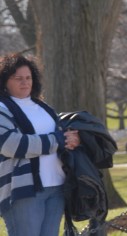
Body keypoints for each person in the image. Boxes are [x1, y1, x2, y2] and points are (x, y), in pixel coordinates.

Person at [0, 53, 80, 236]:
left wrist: (72, 139)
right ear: (4, 81)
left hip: (56, 186)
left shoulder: (43, 107)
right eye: (18, 78)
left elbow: (62, 137)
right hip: (23, 191)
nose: (25, 82)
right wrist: (58, 140)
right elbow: (13, 145)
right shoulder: (2, 109)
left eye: (28, 78)